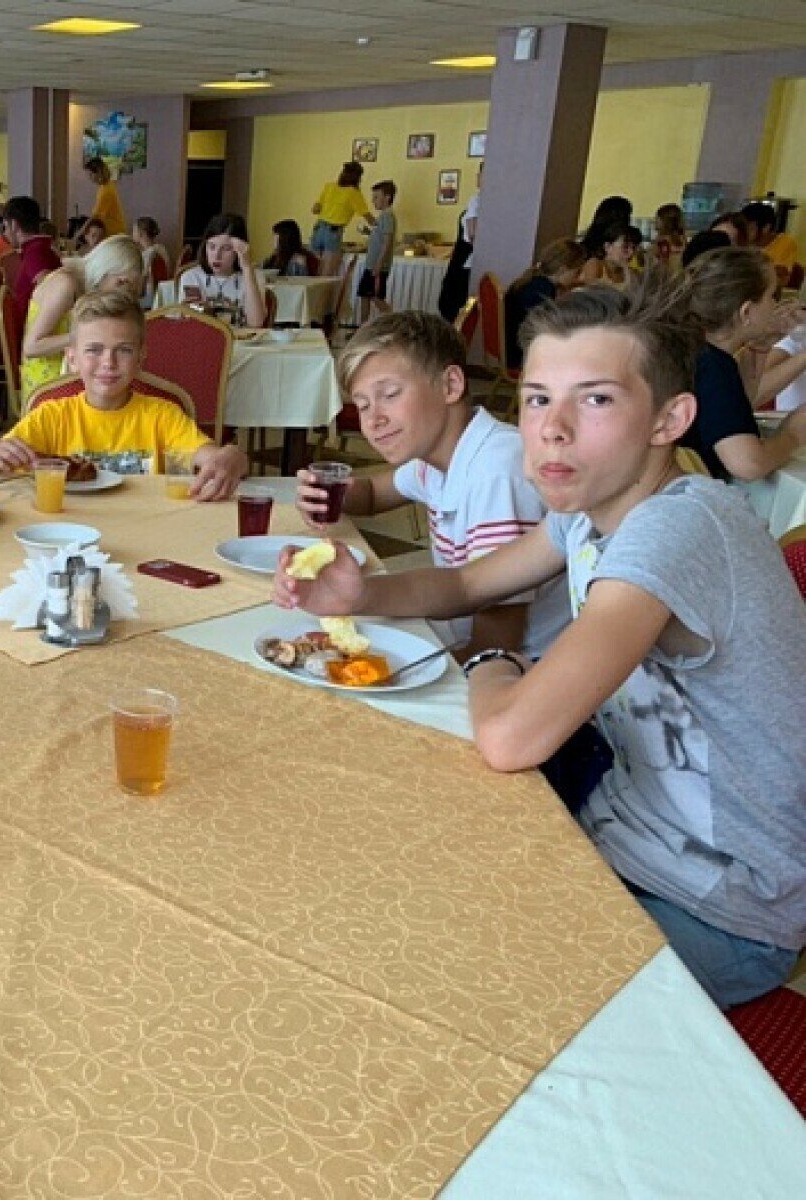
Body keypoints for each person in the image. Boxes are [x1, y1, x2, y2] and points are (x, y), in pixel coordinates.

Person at [273, 282, 806, 1010]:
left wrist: (492, 663)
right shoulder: (589, 510)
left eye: (596, 399)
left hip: (720, 908)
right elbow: (469, 584)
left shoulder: (675, 527)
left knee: (432, 978)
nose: (552, 429)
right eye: (536, 399)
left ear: (669, 419)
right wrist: (358, 594)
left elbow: (509, 737)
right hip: (616, 836)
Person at [293, 310, 568, 659]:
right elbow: (373, 495)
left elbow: (499, 633)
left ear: (450, 385)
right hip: (461, 633)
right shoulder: (437, 456)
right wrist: (329, 493)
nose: (374, 420)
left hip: (521, 665)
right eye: (362, 406)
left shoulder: (495, 470)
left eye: (390, 394)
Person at [0, 291, 246, 499]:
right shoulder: (51, 417)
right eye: (94, 350)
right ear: (72, 358)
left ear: (140, 358)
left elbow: (215, 459)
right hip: (68, 531)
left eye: (123, 350)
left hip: (146, 529)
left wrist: (231, 456)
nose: (108, 363)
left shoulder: (163, 416)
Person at [678, 247, 806, 480]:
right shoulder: (712, 367)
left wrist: (761, 347)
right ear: (746, 312)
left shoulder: (698, 350)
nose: (777, 305)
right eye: (772, 296)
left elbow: (735, 410)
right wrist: (793, 434)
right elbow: (748, 464)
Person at [20, 234, 145, 394]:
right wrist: (84, 337)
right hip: (47, 380)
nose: (121, 293)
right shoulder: (65, 285)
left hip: (73, 368)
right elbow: (31, 347)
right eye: (120, 283)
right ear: (104, 270)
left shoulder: (87, 288)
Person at [503, 238, 587, 370]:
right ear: (563, 269)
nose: (580, 277)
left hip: (513, 347)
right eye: (577, 272)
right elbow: (545, 327)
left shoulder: (533, 282)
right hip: (522, 353)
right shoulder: (542, 290)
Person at [176, 213, 268, 328]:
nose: (217, 255)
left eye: (226, 248)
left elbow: (256, 323)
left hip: (242, 338)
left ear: (239, 250)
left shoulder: (254, 277)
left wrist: (247, 268)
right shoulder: (191, 276)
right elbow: (191, 323)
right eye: (211, 247)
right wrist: (194, 311)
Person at [1, 195, 62, 333]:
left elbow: (51, 290)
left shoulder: (35, 252)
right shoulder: (40, 248)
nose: (5, 233)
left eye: (5, 227)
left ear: (14, 225)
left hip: (31, 332)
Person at [437, 163, 482, 322]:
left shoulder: (477, 201)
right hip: (462, 260)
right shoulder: (476, 200)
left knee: (459, 309)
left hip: (468, 263)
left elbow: (472, 234)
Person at [310, 161, 370, 277]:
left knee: (313, 271)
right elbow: (367, 216)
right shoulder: (354, 193)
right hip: (333, 232)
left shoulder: (329, 186)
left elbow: (315, 209)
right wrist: (379, 227)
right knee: (325, 277)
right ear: (357, 178)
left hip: (318, 229)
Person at [357, 181, 398, 324]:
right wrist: (368, 232)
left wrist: (379, 263)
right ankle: (363, 327)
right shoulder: (382, 216)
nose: (373, 201)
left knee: (376, 297)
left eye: (376, 197)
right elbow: (379, 237)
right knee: (365, 295)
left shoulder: (387, 216)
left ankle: (396, 322)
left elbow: (387, 241)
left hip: (377, 266)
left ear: (387, 197)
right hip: (371, 264)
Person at [742, 200, 800, 285]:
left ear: (766, 227)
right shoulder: (741, 241)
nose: (745, 232)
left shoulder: (785, 243)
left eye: (750, 228)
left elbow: (781, 274)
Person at [75, 158, 126, 251]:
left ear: (98, 172)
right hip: (112, 230)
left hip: (113, 232)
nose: (89, 178)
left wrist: (79, 233)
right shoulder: (105, 186)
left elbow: (95, 216)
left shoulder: (106, 191)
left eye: (91, 174)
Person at [131, 217, 170, 306]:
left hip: (148, 300)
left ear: (141, 233)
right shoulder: (162, 249)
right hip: (162, 296)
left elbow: (141, 291)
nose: (132, 234)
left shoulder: (146, 256)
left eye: (134, 231)